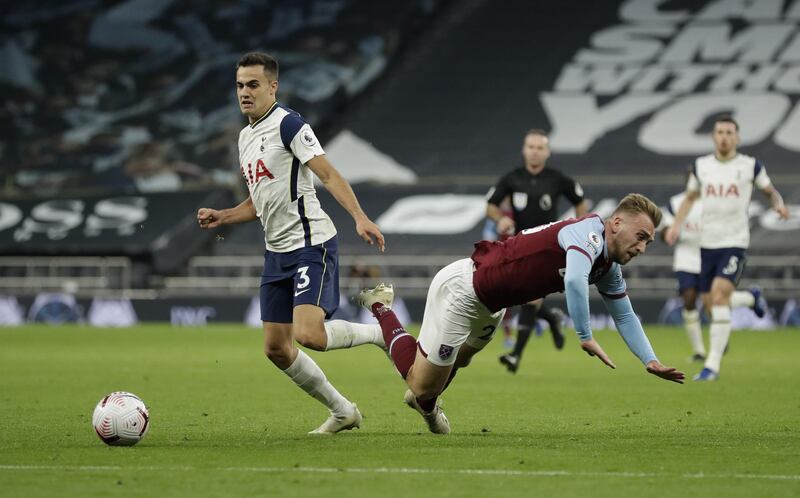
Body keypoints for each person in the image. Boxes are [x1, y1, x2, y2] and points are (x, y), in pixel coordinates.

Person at [358, 194, 685, 434]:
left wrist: (649, 360)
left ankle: (427, 397)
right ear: (616, 224)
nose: (642, 248)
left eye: (649, 242)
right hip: (464, 291)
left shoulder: (608, 266)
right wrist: (585, 336)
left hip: (494, 305)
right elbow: (573, 278)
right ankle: (382, 310)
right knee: (420, 385)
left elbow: (625, 316)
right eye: (641, 237)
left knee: (461, 359)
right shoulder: (589, 232)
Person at [197, 52, 387, 434]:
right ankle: (342, 410)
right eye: (239, 86)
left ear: (273, 86)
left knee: (309, 335)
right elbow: (259, 199)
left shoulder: (289, 124)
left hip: (310, 243)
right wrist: (224, 216)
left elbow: (329, 175)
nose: (244, 93)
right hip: (276, 253)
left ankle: (378, 332)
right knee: (276, 348)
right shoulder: (245, 137)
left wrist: (359, 217)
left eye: (253, 85)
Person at [665, 115, 789, 381]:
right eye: (719, 132)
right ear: (713, 136)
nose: (724, 137)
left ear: (737, 137)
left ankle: (712, 366)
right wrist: (676, 225)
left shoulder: (750, 166)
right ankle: (751, 298)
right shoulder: (702, 166)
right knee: (710, 303)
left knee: (719, 298)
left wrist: (777, 203)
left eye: (729, 132)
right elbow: (688, 198)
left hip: (734, 242)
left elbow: (769, 191)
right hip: (707, 243)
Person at [486, 129, 588, 373]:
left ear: (547, 152)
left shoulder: (557, 179)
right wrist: (500, 218)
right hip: (520, 244)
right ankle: (552, 318)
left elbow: (580, 201)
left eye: (539, 147)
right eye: (530, 147)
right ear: (524, 150)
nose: (534, 151)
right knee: (520, 295)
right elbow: (490, 205)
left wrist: (579, 227)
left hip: (548, 246)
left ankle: (515, 356)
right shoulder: (512, 179)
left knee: (530, 297)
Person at [661, 191, 767, 362]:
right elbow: (664, 228)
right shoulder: (676, 203)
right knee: (688, 298)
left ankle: (750, 299)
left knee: (713, 301)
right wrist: (667, 233)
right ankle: (699, 351)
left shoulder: (716, 202)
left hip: (709, 256)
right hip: (686, 258)